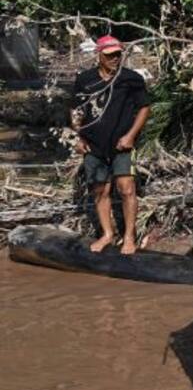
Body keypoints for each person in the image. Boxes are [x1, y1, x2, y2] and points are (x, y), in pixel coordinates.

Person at [72, 35, 150, 254]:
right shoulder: (85, 80)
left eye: (118, 54)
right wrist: (79, 137)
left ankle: (129, 237)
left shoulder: (130, 79)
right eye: (110, 55)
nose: (115, 58)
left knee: (126, 188)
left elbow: (144, 107)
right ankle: (107, 234)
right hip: (94, 146)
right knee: (100, 190)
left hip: (122, 145)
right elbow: (76, 110)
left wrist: (131, 135)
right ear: (99, 56)